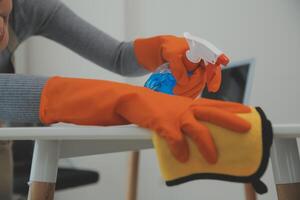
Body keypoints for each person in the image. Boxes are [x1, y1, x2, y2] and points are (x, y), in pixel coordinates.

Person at [0, 0, 251, 199]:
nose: (1, 27)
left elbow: (118, 56)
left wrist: (164, 50)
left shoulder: (28, 8)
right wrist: (127, 100)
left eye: (2, 16)